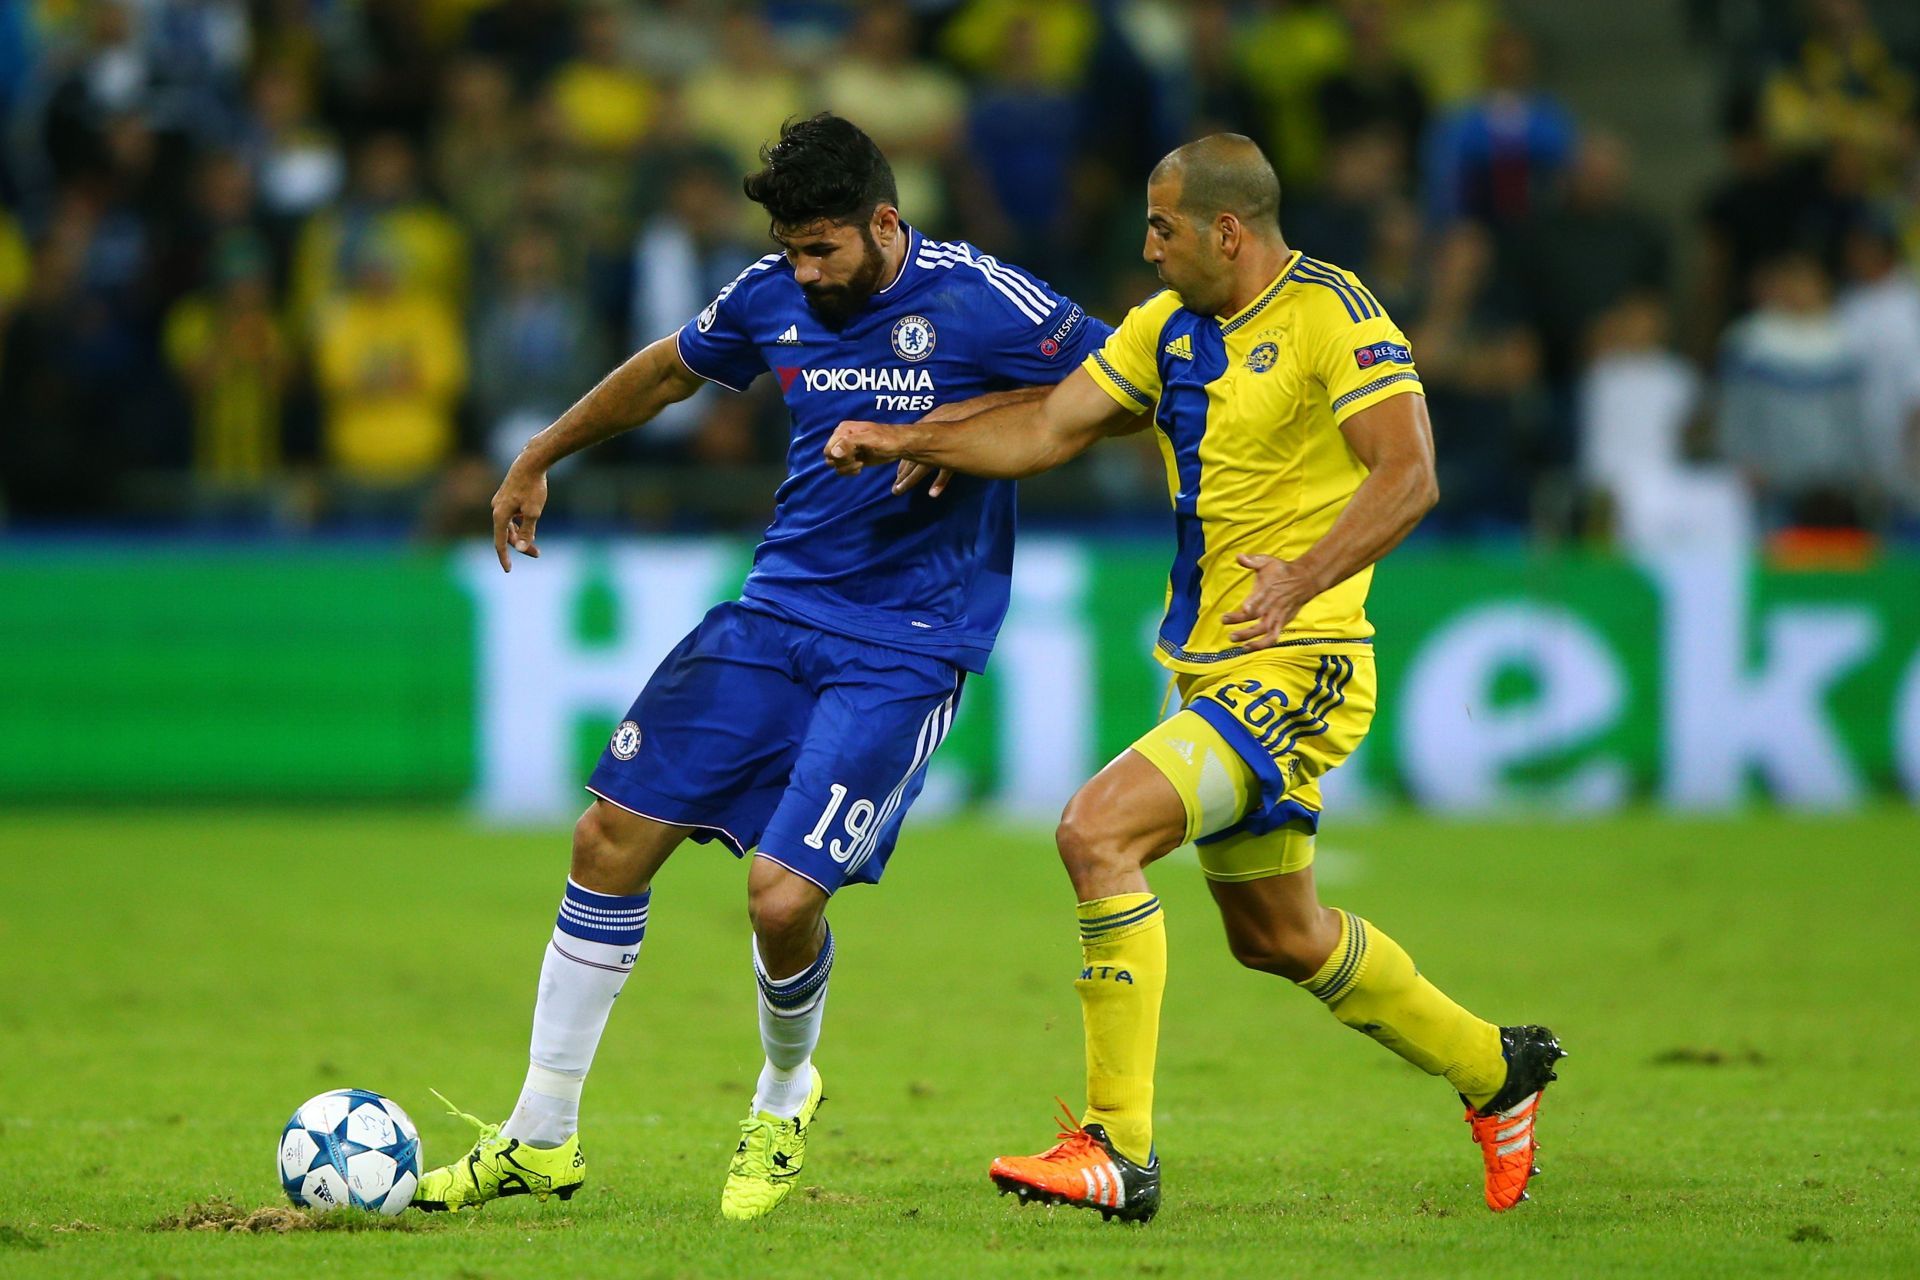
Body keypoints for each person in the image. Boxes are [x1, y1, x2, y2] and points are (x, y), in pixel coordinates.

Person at [826, 134, 1563, 1223]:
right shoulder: (1166, 328)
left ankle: (1117, 1150)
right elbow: (1050, 421)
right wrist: (905, 437)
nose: (1146, 245)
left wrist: (1304, 576)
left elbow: (1410, 475)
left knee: (1096, 830)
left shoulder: (1335, 315)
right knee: (1277, 934)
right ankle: (1496, 1065)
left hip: (1304, 659)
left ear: (1227, 229)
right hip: (1213, 664)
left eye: (1163, 226)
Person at [412, 113, 1109, 1220]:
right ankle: (539, 1133)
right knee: (607, 836)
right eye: (791, 248)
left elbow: (1111, 390)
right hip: (775, 613)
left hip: (905, 645)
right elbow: (665, 374)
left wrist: (951, 426)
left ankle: (785, 1092)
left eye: (822, 247)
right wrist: (541, 450)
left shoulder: (982, 297)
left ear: (886, 222)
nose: (804, 270)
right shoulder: (770, 292)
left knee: (778, 899)